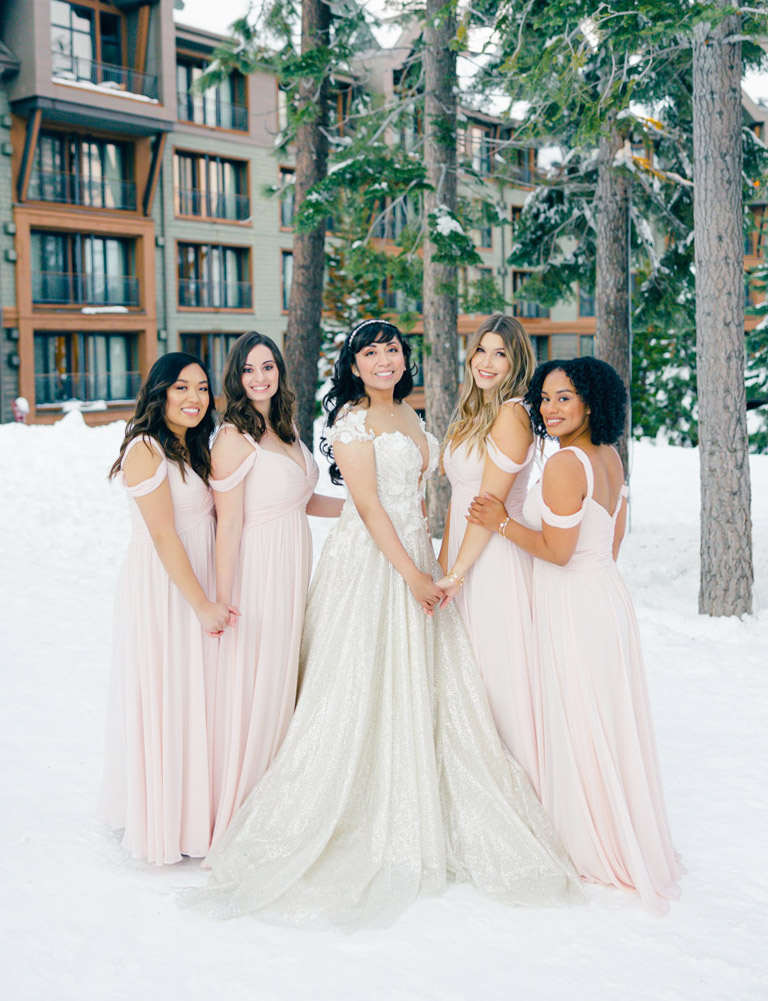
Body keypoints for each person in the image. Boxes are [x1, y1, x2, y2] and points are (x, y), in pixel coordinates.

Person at [183, 319, 583, 930]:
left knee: (426, 686)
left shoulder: (414, 418)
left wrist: (433, 559)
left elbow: (417, 499)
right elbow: (367, 508)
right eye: (369, 353)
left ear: (403, 358)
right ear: (355, 365)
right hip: (372, 563)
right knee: (351, 686)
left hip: (416, 551)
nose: (383, 360)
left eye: (391, 349)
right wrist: (414, 576)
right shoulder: (350, 423)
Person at [468, 357, 682, 913]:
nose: (550, 408)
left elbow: (559, 554)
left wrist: (502, 524)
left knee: (579, 718)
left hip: (573, 601)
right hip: (605, 595)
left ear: (590, 401)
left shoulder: (566, 464)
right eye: (544, 398)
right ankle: (615, 827)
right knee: (605, 720)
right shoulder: (609, 456)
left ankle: (591, 842)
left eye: (564, 397)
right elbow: (609, 542)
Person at [100, 353, 237, 864]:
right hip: (165, 588)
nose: (194, 398)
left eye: (202, 388)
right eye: (181, 388)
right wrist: (201, 604)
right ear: (159, 392)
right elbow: (162, 535)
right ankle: (167, 818)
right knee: (170, 695)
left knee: (196, 697)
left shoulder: (192, 447)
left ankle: (195, 811)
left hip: (195, 579)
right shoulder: (145, 449)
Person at [208, 331, 343, 847]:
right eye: (249, 370)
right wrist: (223, 598)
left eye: (268, 367)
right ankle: (243, 807)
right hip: (258, 569)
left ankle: (278, 797)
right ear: (236, 378)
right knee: (255, 681)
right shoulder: (233, 437)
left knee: (282, 677)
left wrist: (359, 511)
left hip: (292, 563)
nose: (260, 377)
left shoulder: (284, 427)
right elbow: (229, 525)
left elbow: (301, 500)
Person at [437, 314, 540, 789]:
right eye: (481, 350)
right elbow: (458, 499)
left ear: (517, 361)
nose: (487, 361)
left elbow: (487, 506)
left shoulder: (512, 413)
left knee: (495, 676)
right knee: (465, 676)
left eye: (501, 353)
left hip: (493, 558)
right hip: (462, 552)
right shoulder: (475, 411)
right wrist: (442, 561)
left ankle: (516, 791)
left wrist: (456, 573)